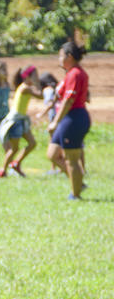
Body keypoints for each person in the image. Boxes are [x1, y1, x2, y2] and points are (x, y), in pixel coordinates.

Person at [47, 41, 90, 200]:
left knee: (71, 158)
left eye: (61, 55)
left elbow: (68, 100)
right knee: (52, 154)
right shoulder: (71, 73)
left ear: (69, 57)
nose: (59, 59)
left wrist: (55, 122)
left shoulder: (75, 74)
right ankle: (77, 182)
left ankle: (76, 194)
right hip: (68, 118)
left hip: (74, 118)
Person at [0, 65, 43, 177]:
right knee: (14, 148)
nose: (36, 78)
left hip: (21, 119)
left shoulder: (25, 87)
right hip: (15, 121)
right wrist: (37, 83)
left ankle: (16, 163)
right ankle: (3, 170)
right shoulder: (25, 88)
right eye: (34, 76)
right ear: (27, 77)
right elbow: (40, 95)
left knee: (32, 143)